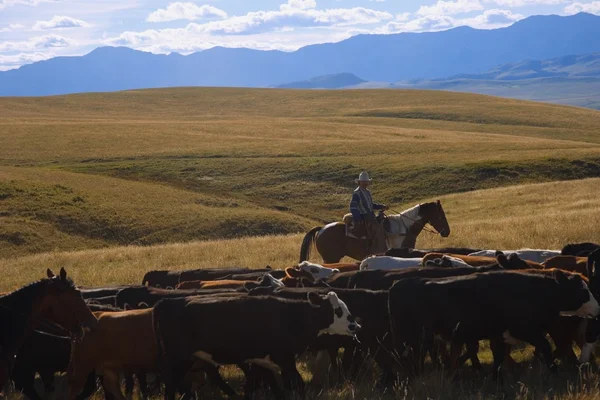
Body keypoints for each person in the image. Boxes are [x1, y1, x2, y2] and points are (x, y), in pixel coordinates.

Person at [349, 171, 389, 255]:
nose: (365, 183)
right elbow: (353, 207)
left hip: (371, 215)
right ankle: (378, 250)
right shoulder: (357, 193)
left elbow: (371, 205)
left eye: (366, 181)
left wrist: (381, 206)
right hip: (365, 216)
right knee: (378, 229)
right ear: (359, 182)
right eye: (364, 181)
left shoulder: (367, 192)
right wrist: (358, 217)